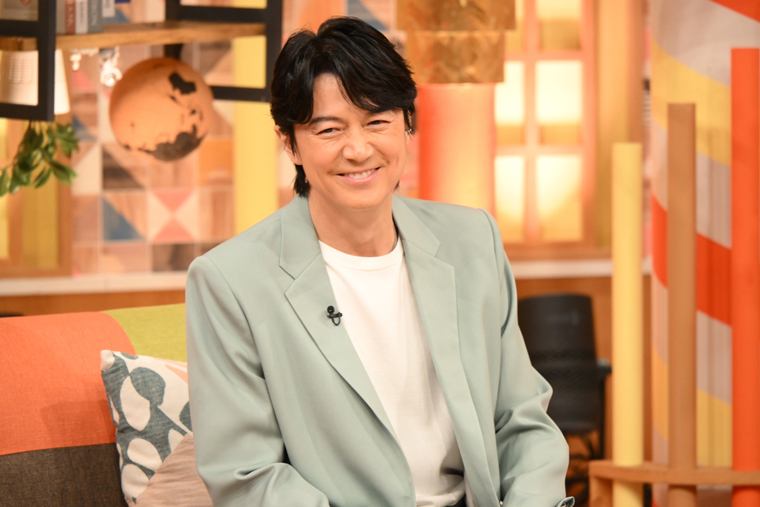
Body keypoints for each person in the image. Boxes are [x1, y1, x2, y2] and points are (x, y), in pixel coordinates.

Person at [186, 16, 573, 507]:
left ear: (407, 124)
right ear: (290, 143)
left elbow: (522, 421)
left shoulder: (473, 241)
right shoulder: (230, 281)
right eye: (329, 129)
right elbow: (248, 475)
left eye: (377, 122)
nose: (358, 149)